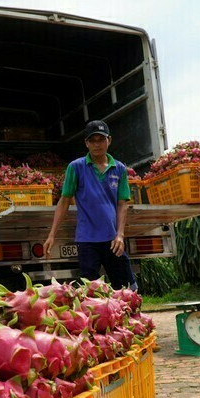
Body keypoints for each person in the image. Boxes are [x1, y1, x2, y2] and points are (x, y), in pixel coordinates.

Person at [43, 119, 137, 290]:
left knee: (128, 289)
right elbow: (64, 201)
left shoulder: (120, 168)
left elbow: (122, 204)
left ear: (109, 140)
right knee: (91, 294)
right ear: (86, 143)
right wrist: (52, 234)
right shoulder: (76, 167)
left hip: (113, 240)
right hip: (87, 240)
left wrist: (120, 235)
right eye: (92, 140)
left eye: (101, 139)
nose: (97, 144)